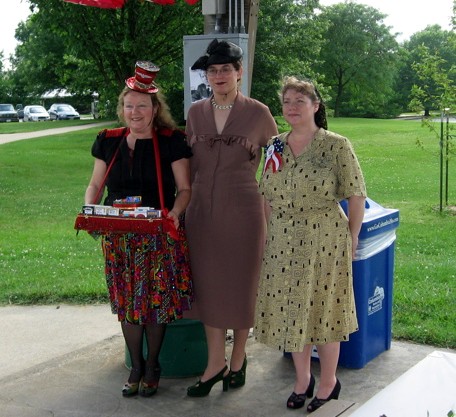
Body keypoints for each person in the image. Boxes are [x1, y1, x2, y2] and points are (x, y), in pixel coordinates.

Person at [254, 76, 366, 413]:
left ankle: (329, 381)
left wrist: (353, 237)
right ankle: (302, 379)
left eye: (299, 101)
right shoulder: (275, 145)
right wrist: (269, 234)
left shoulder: (336, 145)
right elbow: (266, 194)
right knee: (291, 311)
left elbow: (356, 194)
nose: (291, 108)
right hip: (283, 240)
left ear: (315, 106)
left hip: (324, 239)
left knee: (324, 310)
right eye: (286, 102)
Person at [84, 61, 193, 397]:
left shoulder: (172, 141)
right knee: (128, 304)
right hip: (120, 240)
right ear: (122, 108)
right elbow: (95, 185)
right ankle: (136, 365)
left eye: (142, 106)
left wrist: (175, 213)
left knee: (155, 303)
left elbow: (185, 189)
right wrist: (90, 210)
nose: (135, 112)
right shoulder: (108, 141)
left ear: (155, 109)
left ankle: (153, 365)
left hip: (158, 237)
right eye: (129, 106)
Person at [184, 39, 279, 397]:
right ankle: (215, 363)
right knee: (208, 288)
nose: (219, 75)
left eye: (226, 69)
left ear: (240, 72)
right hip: (201, 215)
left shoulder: (259, 113)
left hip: (245, 212)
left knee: (242, 286)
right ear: (206, 76)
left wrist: (275, 217)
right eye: (213, 70)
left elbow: (276, 169)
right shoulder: (195, 113)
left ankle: (238, 359)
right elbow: (186, 166)